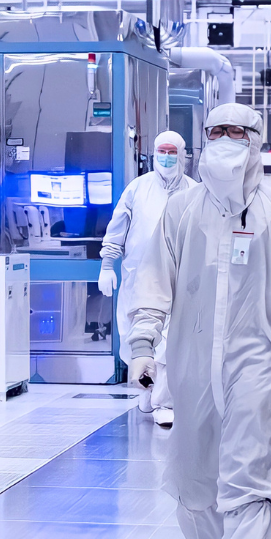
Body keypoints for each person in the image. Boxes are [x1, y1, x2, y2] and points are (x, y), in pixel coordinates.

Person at [125, 103, 271, 539]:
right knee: (193, 475)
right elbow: (155, 281)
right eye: (215, 131)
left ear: (257, 141)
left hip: (257, 363)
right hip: (191, 365)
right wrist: (143, 344)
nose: (225, 139)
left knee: (251, 471)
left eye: (237, 132)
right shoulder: (181, 211)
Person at [98, 130, 196, 427]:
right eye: (161, 152)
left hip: (176, 280)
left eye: (172, 152)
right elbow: (117, 228)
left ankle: (164, 401)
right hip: (136, 278)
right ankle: (147, 389)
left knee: (169, 340)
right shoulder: (137, 189)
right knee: (135, 337)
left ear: (183, 155)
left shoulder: (195, 192)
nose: (166, 157)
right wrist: (107, 264)